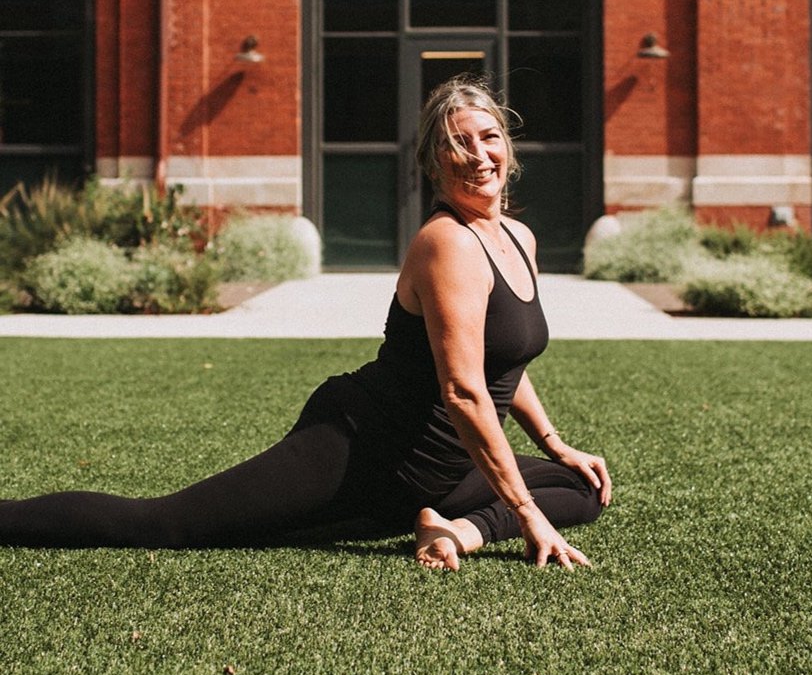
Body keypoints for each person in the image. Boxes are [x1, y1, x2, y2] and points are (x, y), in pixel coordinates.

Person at [0, 76, 612, 570]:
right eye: (457, 144)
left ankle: (455, 533)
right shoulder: (446, 244)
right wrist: (527, 515)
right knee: (165, 524)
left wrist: (554, 443)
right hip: (368, 449)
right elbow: (462, 389)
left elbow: (501, 361)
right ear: (433, 162)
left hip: (450, 477)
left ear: (508, 144)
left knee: (581, 484)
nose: (477, 157)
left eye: (488, 138)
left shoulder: (517, 237)